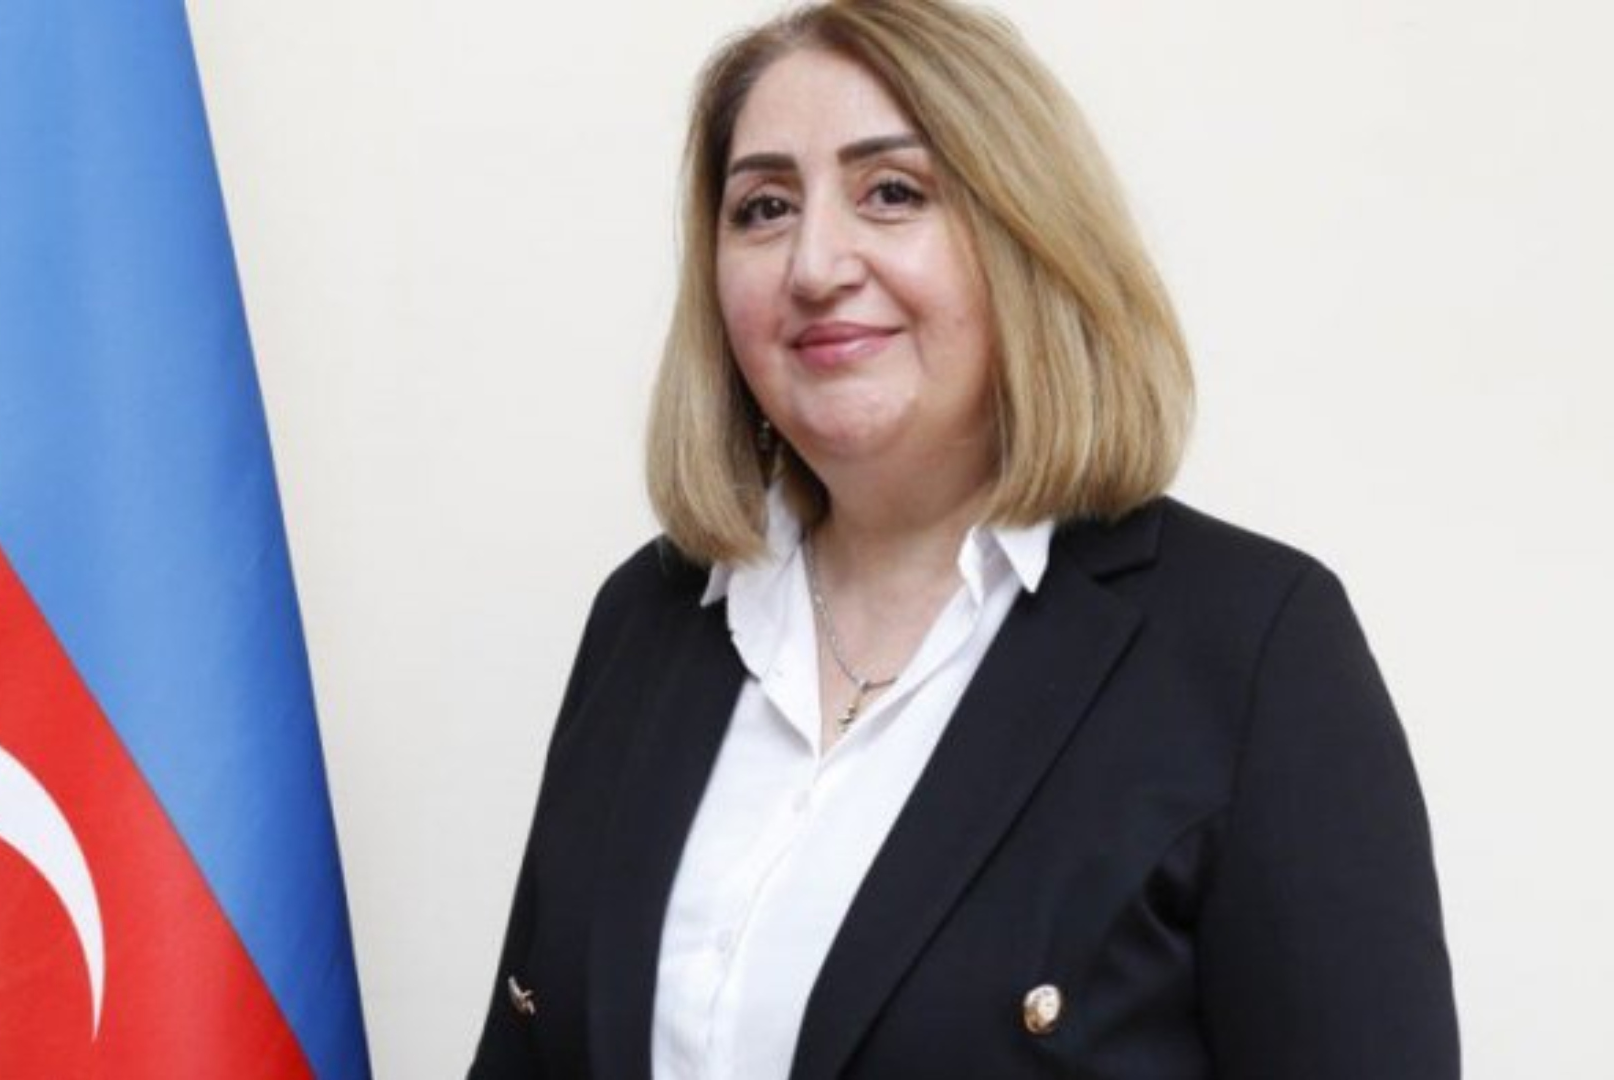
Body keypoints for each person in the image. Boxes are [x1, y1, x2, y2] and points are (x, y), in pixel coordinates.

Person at [468, 1, 1459, 1076]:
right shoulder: (647, 619)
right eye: (763, 208)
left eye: (892, 192)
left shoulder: (1252, 647)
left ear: (1028, 237)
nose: (814, 264)